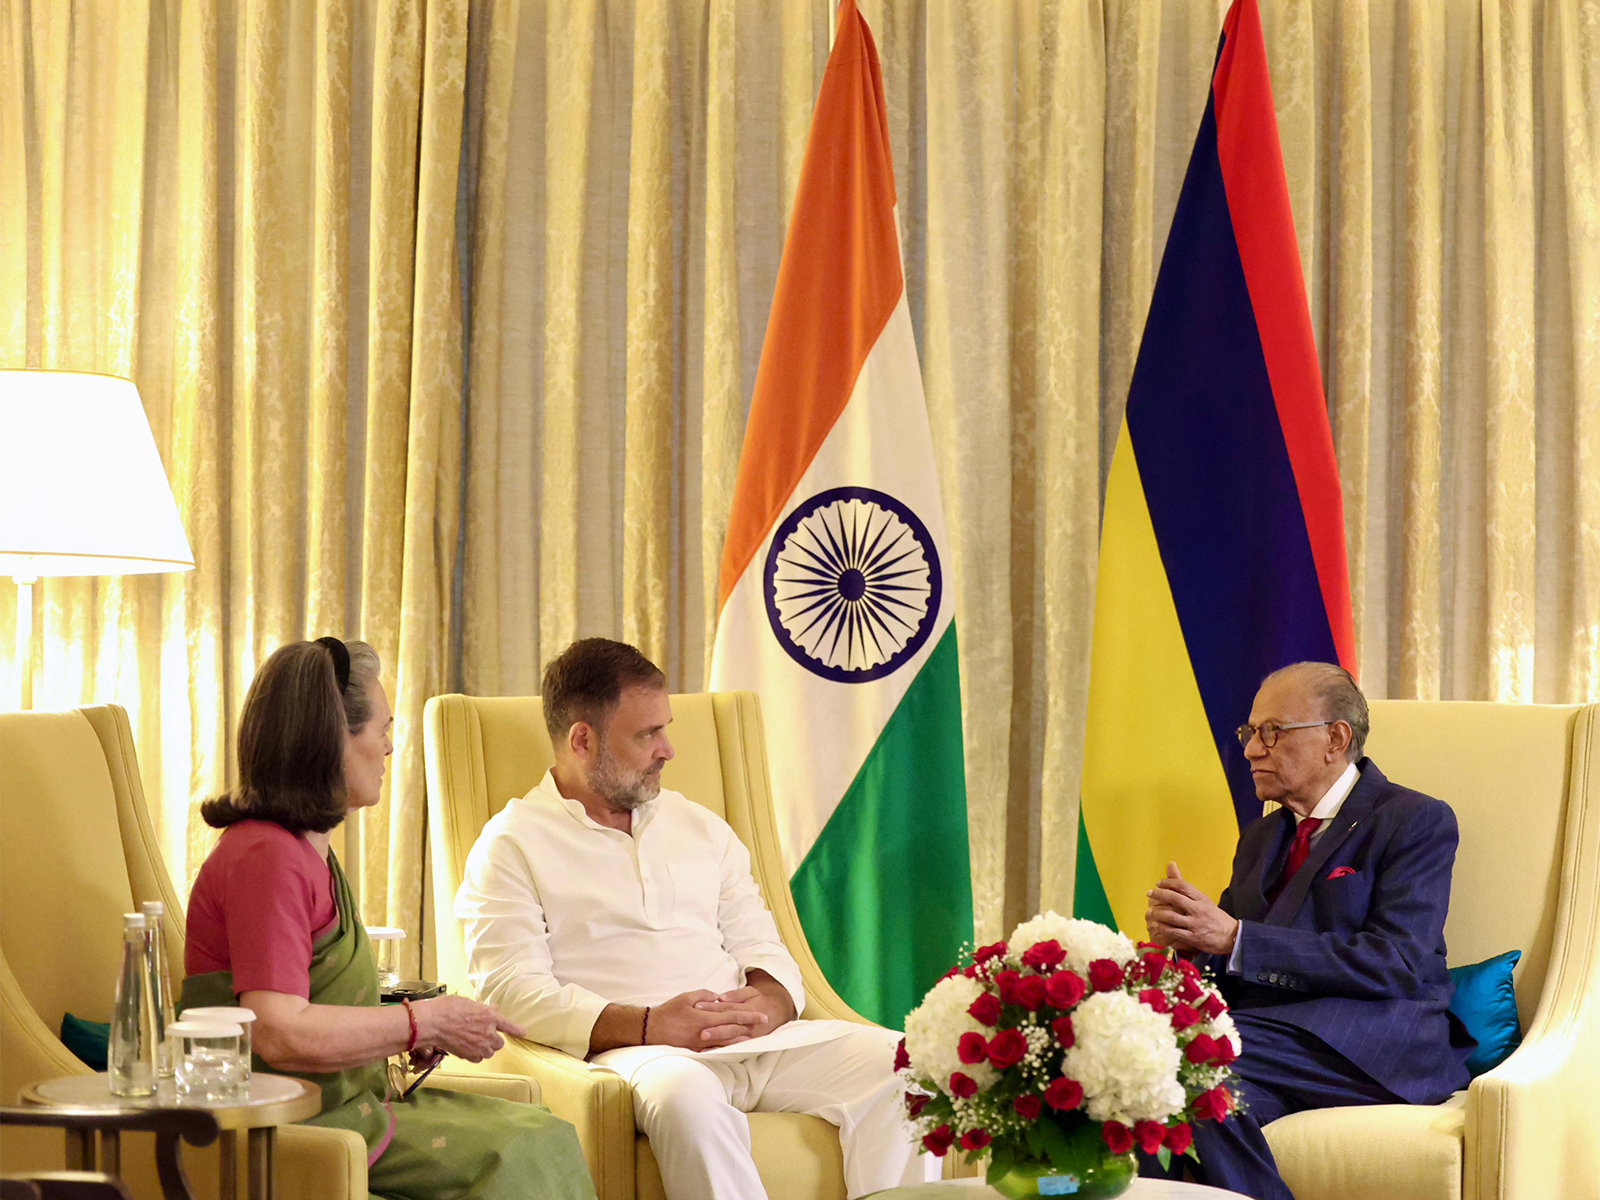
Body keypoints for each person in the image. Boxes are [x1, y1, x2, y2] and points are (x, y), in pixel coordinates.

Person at [454, 637, 935, 1200]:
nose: (668, 750)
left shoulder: (701, 827)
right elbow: (511, 992)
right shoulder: (511, 844)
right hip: (638, 1058)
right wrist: (650, 1024)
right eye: (647, 734)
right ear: (582, 740)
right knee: (685, 1095)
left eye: (666, 728)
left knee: (907, 1066)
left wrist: (771, 1001)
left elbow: (765, 945)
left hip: (753, 1044)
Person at [181, 638, 596, 1200]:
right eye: (382, 730)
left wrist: (395, 1034)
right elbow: (277, 1030)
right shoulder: (266, 858)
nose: (390, 747)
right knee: (527, 1148)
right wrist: (420, 1021)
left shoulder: (304, 850)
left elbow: (312, 1005)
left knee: (540, 1134)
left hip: (343, 1111)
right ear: (332, 741)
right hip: (292, 1127)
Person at [1142, 661, 1474, 1200]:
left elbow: (1397, 960)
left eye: (1271, 732)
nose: (1251, 749)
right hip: (1268, 1040)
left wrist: (1230, 938)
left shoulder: (1414, 820)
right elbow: (1232, 953)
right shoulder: (1262, 837)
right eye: (1250, 733)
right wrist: (1187, 942)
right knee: (1166, 1095)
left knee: (1183, 1059)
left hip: (1371, 1042)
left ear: (1335, 738)